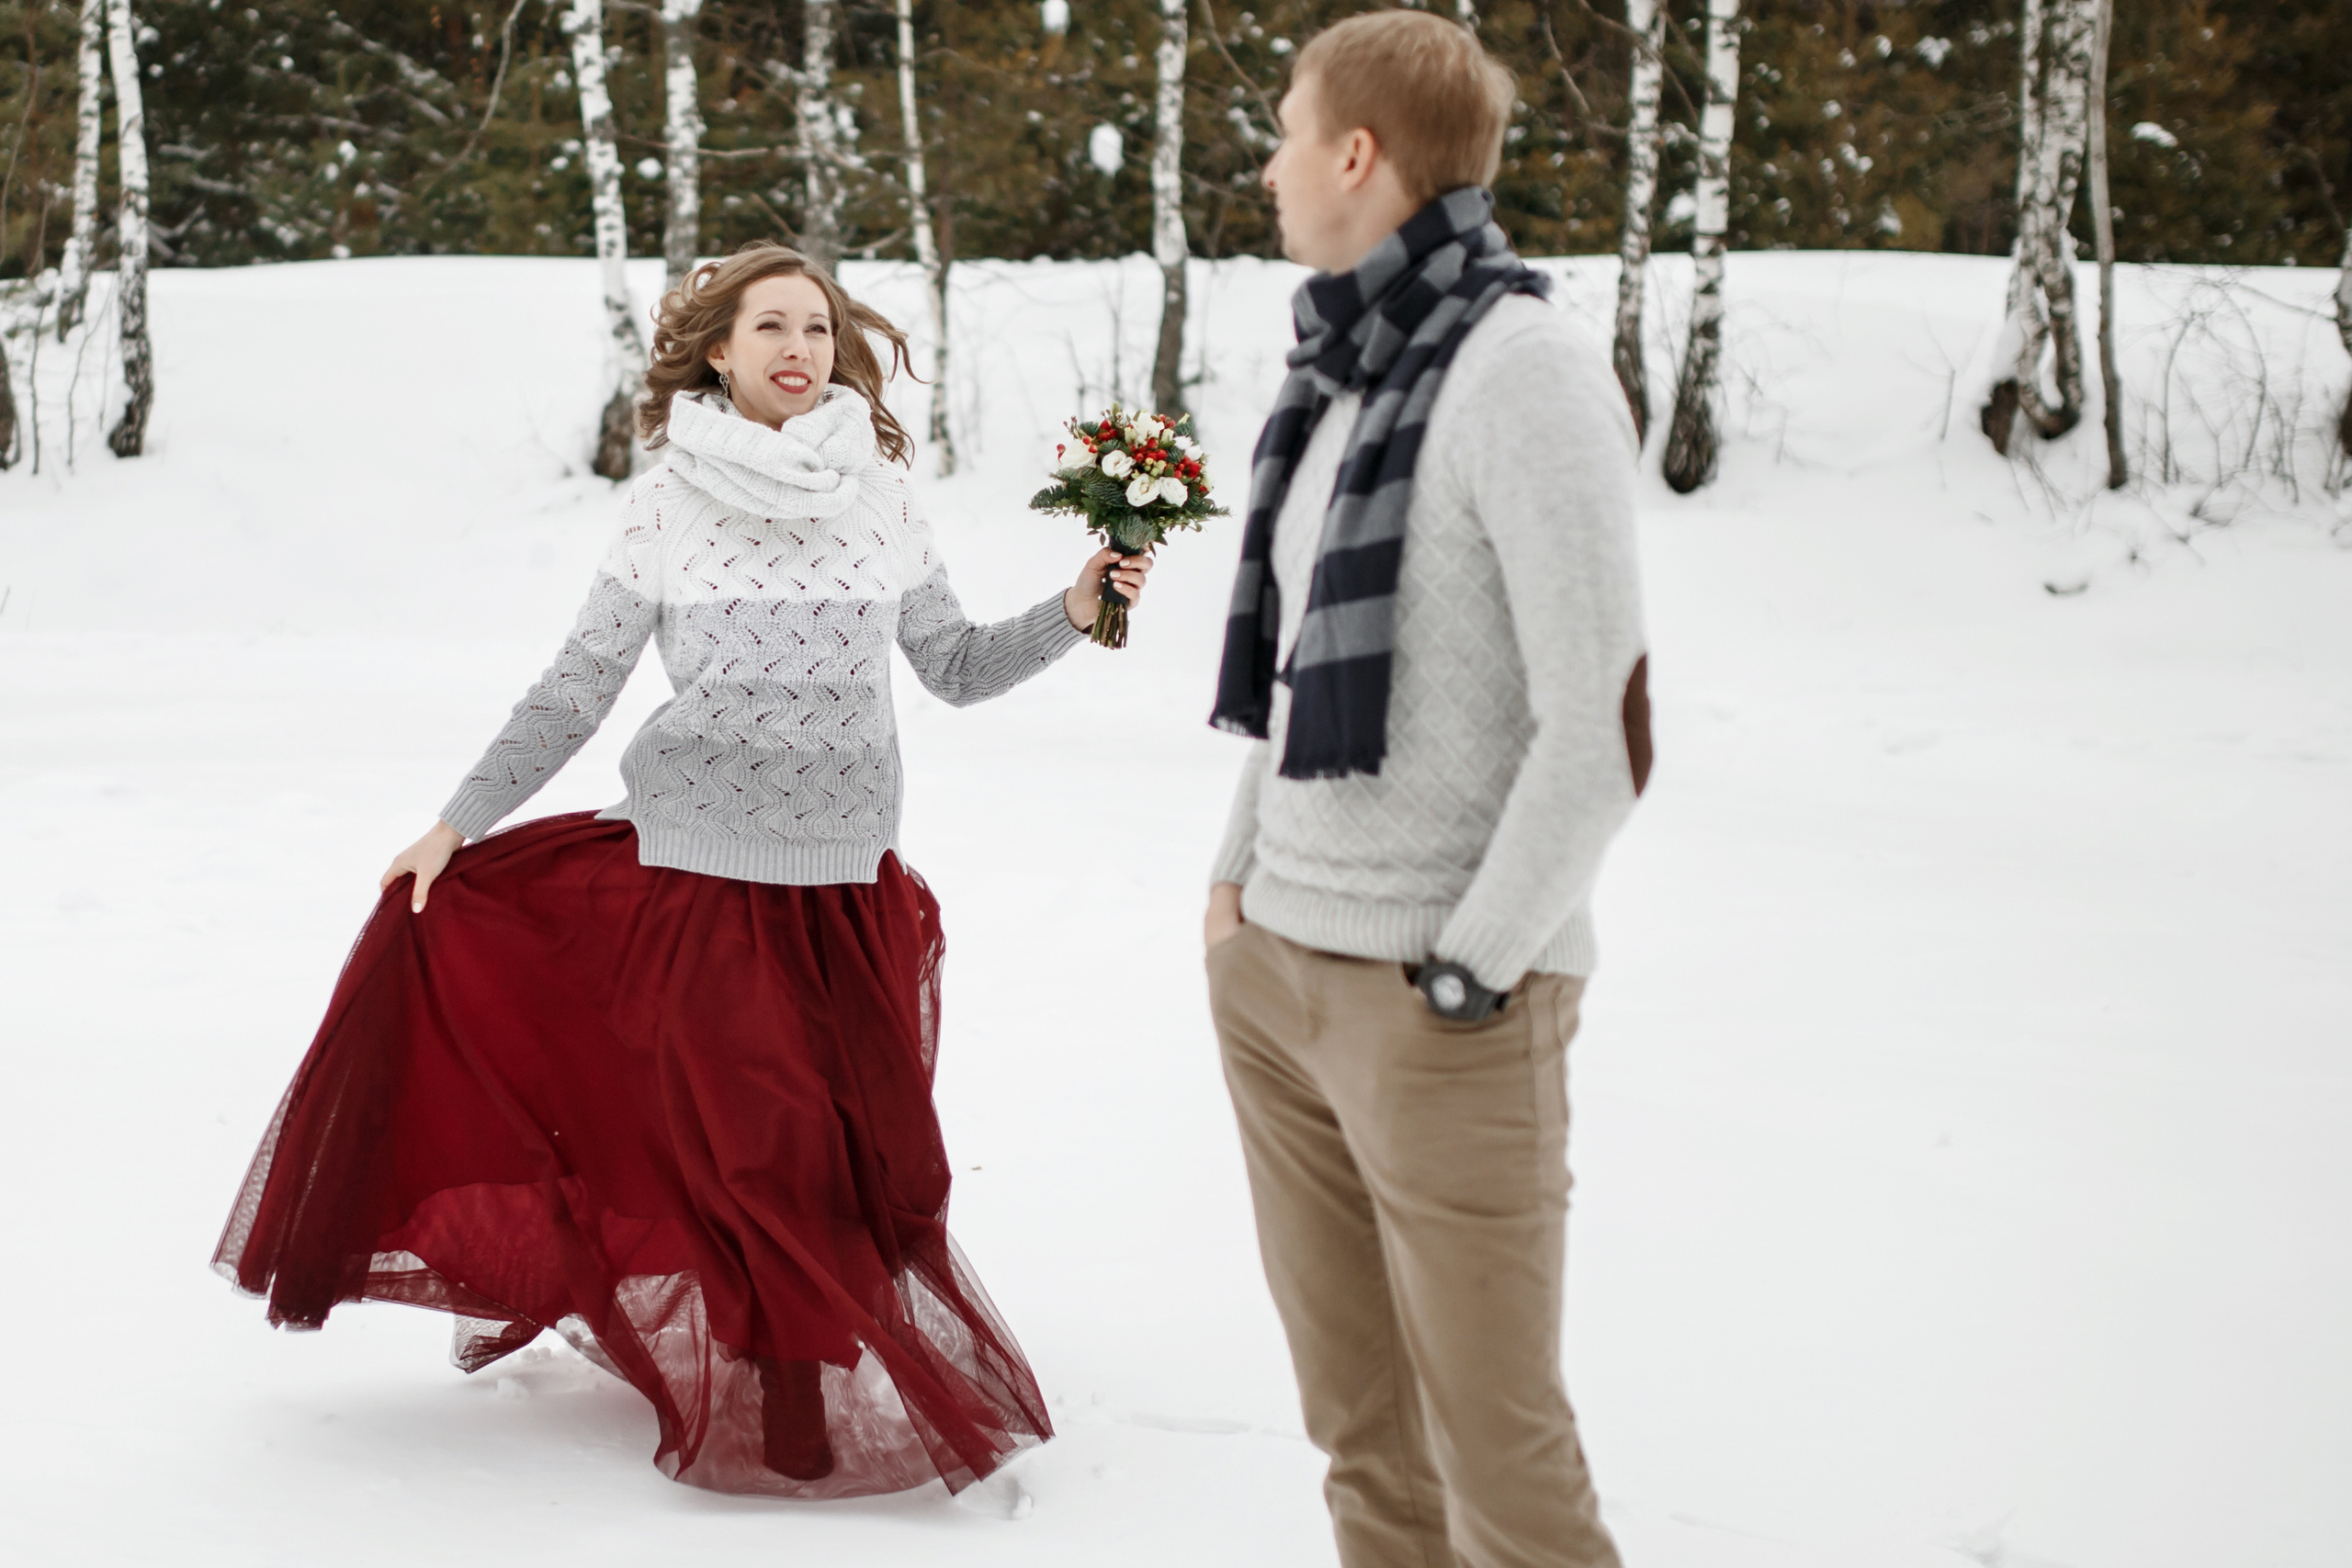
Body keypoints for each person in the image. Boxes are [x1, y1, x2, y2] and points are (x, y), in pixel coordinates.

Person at [213, 242, 1151, 1502]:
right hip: (698, 883)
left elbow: (957, 667)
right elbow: (577, 688)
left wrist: (1075, 610)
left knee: (867, 1165)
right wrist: (457, 822)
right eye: (771, 327)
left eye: (817, 329)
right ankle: (788, 1385)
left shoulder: (882, 489)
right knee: (759, 1152)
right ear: (719, 350)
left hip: (842, 889)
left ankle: (791, 1354)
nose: (799, 350)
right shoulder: (666, 503)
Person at [1202, 13, 1650, 1568]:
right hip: (1280, 976)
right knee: (1368, 1453)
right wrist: (1233, 888)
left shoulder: (1520, 368)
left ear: (1358, 154)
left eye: (1283, 130)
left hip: (1441, 1003)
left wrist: (1471, 968)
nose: (1266, 167)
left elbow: (1603, 727)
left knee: (1502, 1473)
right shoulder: (1344, 365)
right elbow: (1302, 665)